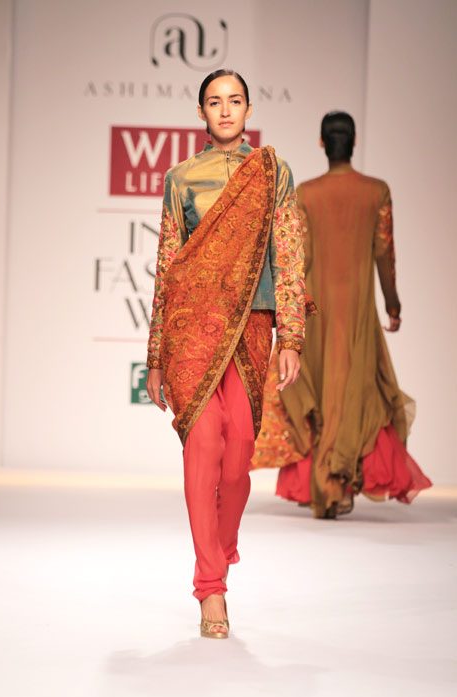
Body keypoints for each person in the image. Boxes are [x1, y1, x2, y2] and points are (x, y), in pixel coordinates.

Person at [146, 69, 313, 637]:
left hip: (251, 327)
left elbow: (288, 253)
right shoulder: (180, 179)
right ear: (201, 112)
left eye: (234, 100)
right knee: (202, 448)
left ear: (248, 109)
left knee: (239, 455)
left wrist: (292, 335)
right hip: (192, 329)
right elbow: (168, 266)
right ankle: (210, 589)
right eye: (214, 102)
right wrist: (156, 355)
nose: (224, 110)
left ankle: (218, 548)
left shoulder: (272, 172)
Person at [251, 111, 431, 519]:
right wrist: (393, 303)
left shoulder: (307, 194)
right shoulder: (376, 192)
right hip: (357, 311)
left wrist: (285, 309)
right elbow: (384, 253)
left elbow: (298, 258)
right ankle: (339, 484)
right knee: (353, 392)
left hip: (315, 310)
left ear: (322, 143)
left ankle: (325, 485)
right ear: (353, 143)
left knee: (318, 393)